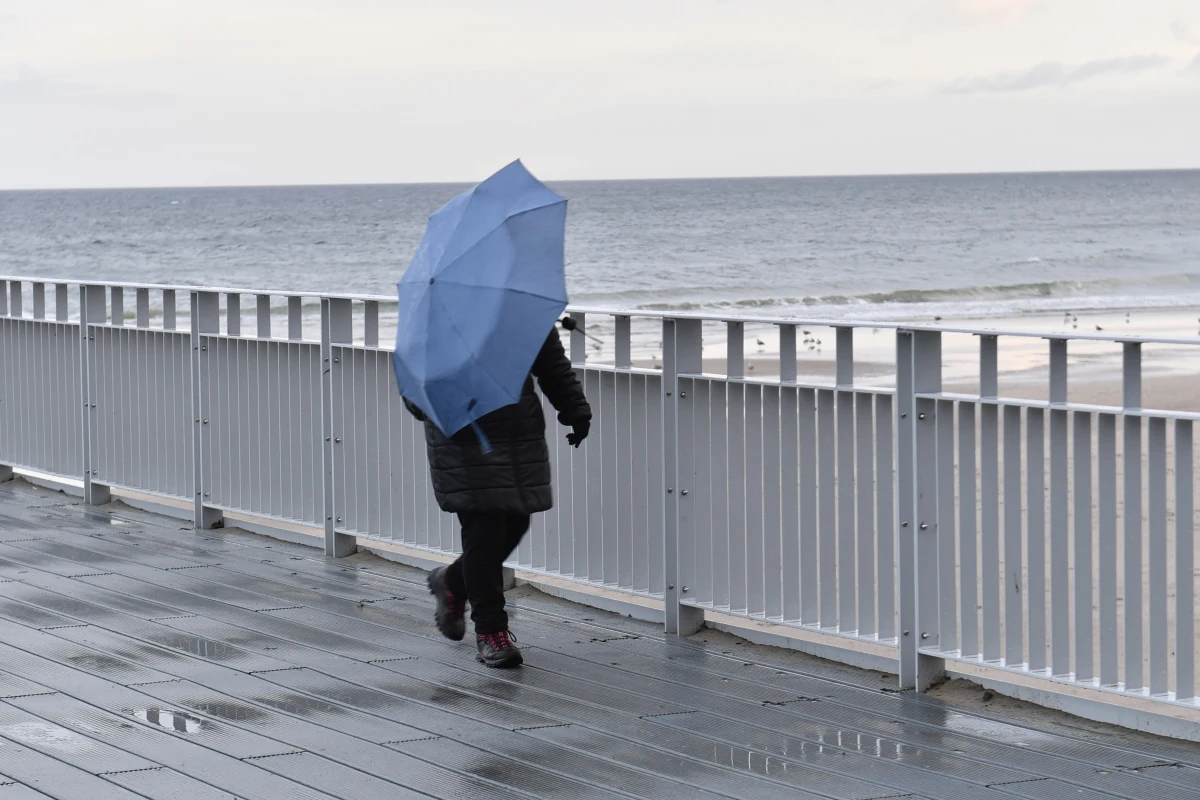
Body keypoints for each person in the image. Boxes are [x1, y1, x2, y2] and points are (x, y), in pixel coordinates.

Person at [403, 323, 590, 668]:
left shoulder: (517, 309)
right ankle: (491, 633)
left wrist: (575, 408)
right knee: (484, 534)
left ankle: (452, 581)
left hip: (519, 435)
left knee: (517, 521)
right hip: (465, 438)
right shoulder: (438, 317)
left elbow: (550, 361)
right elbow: (415, 396)